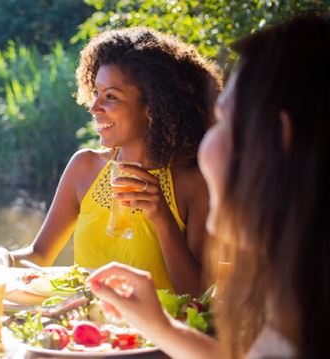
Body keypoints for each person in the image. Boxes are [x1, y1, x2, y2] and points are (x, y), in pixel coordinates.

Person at [88, 15, 330, 359]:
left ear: (278, 138)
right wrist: (159, 327)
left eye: (223, 121)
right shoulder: (301, 294)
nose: (204, 143)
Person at [0, 27, 221, 295]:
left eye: (111, 96)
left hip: (155, 337)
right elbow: (40, 254)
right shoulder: (84, 168)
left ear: (152, 107)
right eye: (96, 94)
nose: (93, 108)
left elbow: (198, 293)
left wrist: (162, 217)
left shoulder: (193, 183)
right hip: (87, 334)